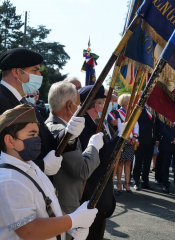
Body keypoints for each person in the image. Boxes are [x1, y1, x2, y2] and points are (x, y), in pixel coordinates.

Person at [0, 104, 98, 240]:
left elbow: (51, 206)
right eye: (32, 134)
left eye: (37, 134)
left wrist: (69, 226)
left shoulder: (29, 165)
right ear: (10, 140)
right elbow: (28, 230)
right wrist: (72, 220)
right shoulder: (9, 180)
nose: (37, 139)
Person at [0, 48, 84, 176]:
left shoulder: (27, 105)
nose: (40, 76)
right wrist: (40, 166)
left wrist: (69, 133)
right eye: (34, 70)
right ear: (16, 72)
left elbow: (48, 141)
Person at [46, 81, 104, 240]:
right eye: (79, 105)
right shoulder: (61, 131)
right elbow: (82, 170)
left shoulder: (50, 126)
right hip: (65, 206)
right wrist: (94, 147)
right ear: (70, 105)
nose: (81, 109)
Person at [79, 85, 126, 240]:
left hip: (100, 191)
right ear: (95, 105)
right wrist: (121, 136)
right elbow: (101, 155)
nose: (105, 106)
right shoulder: (85, 124)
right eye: (103, 102)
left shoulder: (97, 122)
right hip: (91, 191)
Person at [108, 94, 139, 193]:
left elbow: (136, 125)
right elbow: (120, 127)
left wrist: (134, 137)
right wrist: (129, 138)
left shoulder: (131, 113)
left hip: (131, 141)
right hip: (122, 140)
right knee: (120, 163)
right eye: (130, 100)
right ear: (126, 102)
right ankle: (119, 184)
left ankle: (127, 183)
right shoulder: (116, 113)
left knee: (129, 163)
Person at [133, 104, 160, 191]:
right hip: (141, 140)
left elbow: (156, 125)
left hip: (151, 140)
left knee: (147, 163)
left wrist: (157, 139)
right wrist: (136, 138)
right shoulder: (140, 109)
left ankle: (145, 182)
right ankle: (136, 181)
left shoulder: (154, 110)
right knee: (138, 162)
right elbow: (135, 123)